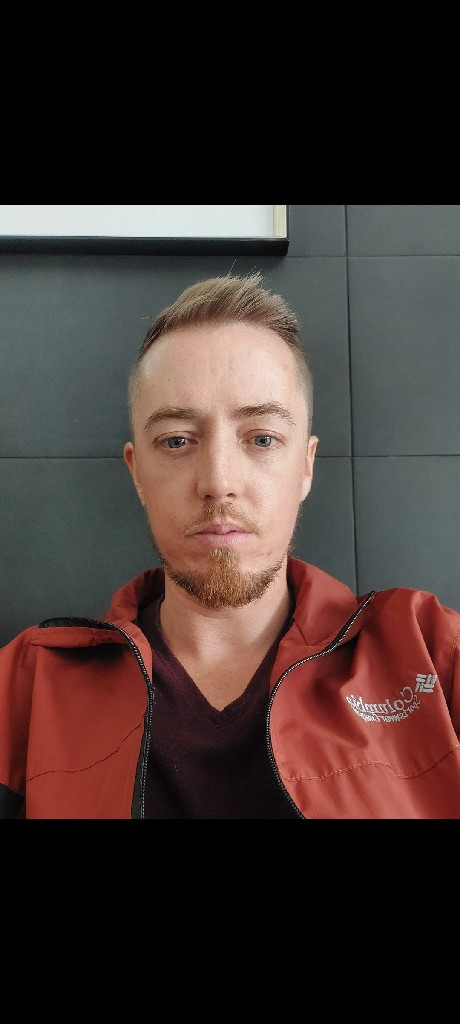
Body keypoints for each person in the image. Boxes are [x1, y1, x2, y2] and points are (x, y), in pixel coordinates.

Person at [1, 271, 460, 820]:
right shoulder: (29, 684)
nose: (219, 481)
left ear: (307, 465)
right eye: (176, 440)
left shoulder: (431, 653)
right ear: (137, 473)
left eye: (262, 438)